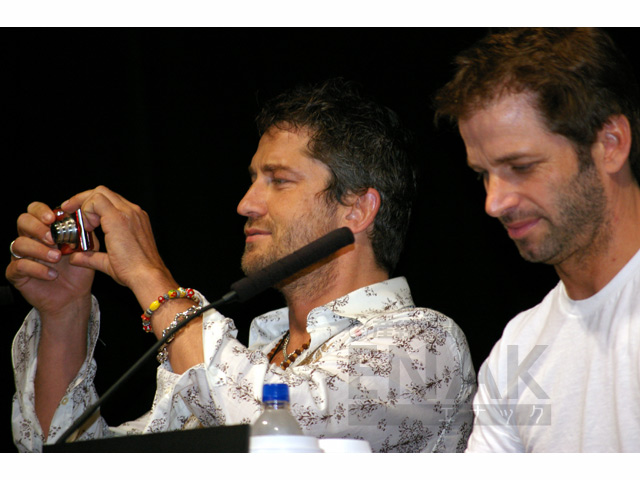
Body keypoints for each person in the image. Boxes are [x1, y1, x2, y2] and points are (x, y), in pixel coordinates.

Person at [9, 78, 476, 453]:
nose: (246, 204)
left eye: (279, 180)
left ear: (356, 209)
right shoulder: (250, 358)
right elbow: (73, 457)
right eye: (253, 179)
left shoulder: (425, 344)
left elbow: (270, 433)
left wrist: (150, 277)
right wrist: (65, 313)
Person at [434, 28, 640, 452]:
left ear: (610, 144)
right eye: (483, 174)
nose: (494, 203)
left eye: (522, 166)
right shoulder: (517, 349)